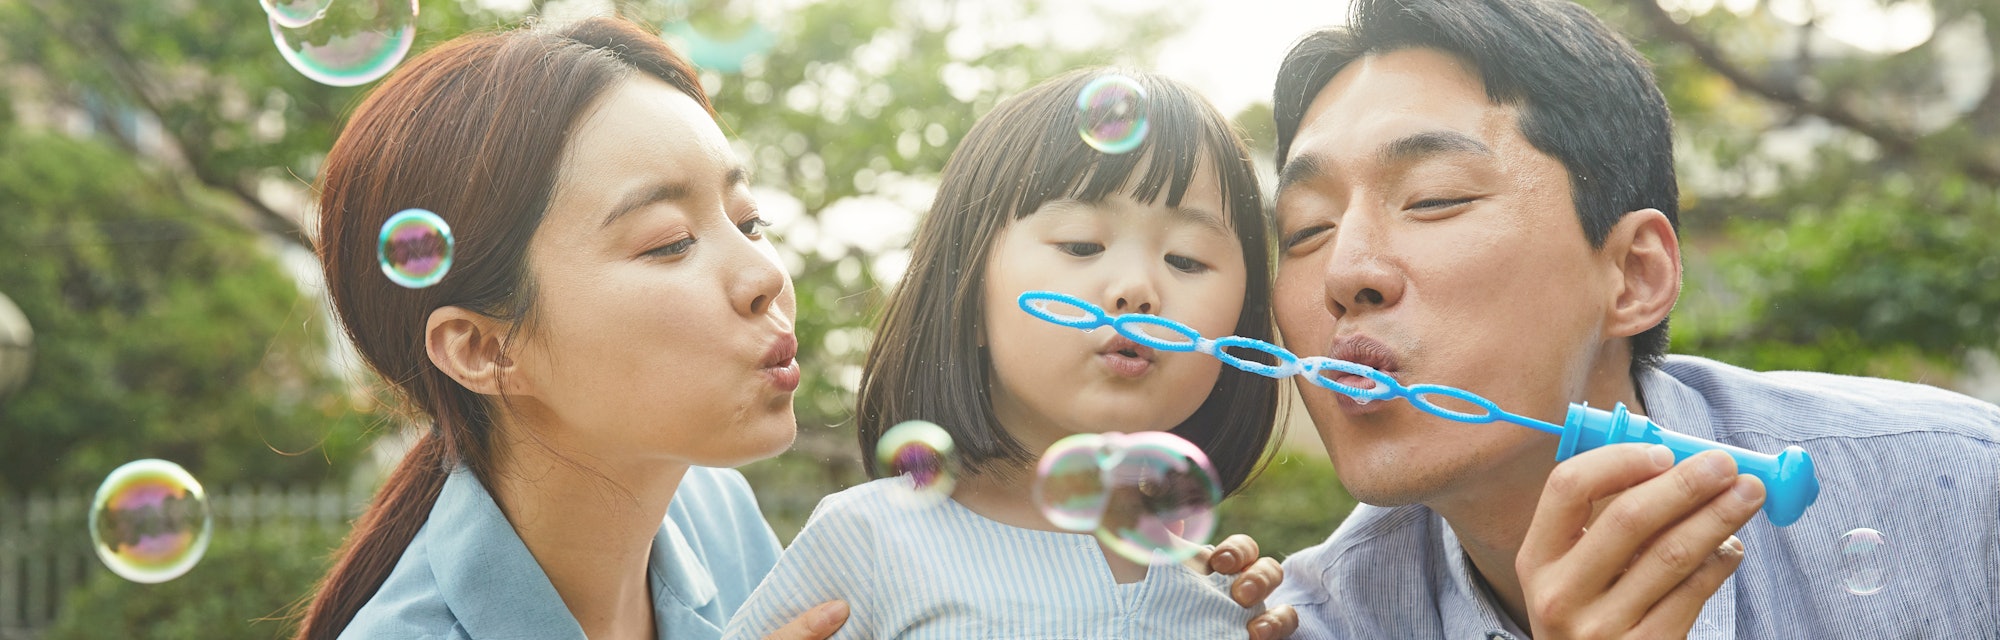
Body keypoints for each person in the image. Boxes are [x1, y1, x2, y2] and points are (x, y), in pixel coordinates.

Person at [289, 17, 1289, 640]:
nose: (766, 272)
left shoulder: (712, 517)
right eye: (669, 241)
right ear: (483, 347)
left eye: (748, 220)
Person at [1264, 0, 2000, 637]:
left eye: (1433, 198)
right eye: (1304, 230)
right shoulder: (1307, 623)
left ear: (1635, 275)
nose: (1343, 274)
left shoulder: (1966, 502)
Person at [723, 69, 1298, 640]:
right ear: (969, 296)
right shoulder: (871, 540)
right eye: (1081, 244)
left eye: (1187, 260)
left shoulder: (1231, 596)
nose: (1137, 288)